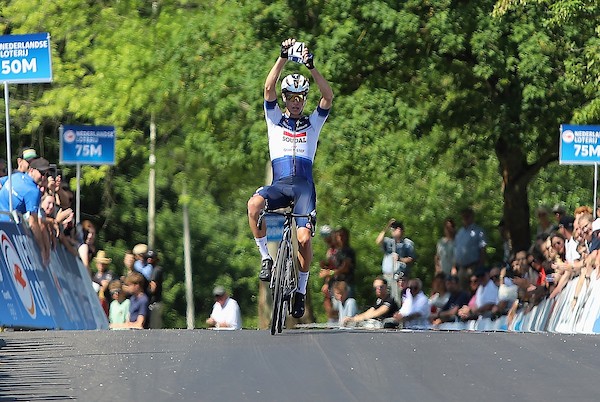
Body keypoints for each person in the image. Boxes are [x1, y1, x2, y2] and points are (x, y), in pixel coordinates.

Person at [247, 37, 333, 320]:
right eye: (290, 97)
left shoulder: (313, 122)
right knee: (253, 206)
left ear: (304, 99)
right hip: (280, 184)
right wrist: (282, 57)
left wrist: (312, 67)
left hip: (304, 188)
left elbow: (328, 97)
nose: (295, 103)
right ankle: (266, 258)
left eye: (299, 98)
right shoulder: (274, 119)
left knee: (305, 239)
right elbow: (268, 87)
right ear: (284, 99)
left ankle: (300, 291)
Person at [0, 157, 50, 262]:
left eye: (46, 174)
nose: (44, 177)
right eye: (41, 173)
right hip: (6, 227)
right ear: (31, 170)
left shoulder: (16, 176)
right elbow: (33, 223)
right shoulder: (33, 191)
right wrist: (42, 248)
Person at [375, 219, 416, 303]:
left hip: (399, 277)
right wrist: (387, 227)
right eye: (395, 228)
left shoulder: (407, 243)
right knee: (386, 299)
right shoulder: (388, 241)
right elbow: (378, 241)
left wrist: (400, 259)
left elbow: (411, 259)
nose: (397, 230)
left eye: (399, 228)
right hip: (387, 276)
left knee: (397, 299)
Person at [453, 207, 487, 291]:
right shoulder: (460, 233)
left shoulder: (478, 231)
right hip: (461, 268)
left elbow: (483, 249)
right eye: (463, 217)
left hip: (473, 267)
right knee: (462, 291)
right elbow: (456, 250)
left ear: (472, 217)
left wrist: (480, 267)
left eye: (467, 216)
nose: (465, 219)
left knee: (474, 290)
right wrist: (454, 267)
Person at [92, 250, 115, 316]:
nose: (101, 265)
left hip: (106, 302)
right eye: (99, 263)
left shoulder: (109, 274)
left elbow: (105, 285)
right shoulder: (94, 276)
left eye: (103, 263)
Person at [145, 250, 164, 329]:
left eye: (151, 257)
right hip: (155, 303)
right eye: (148, 257)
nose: (149, 259)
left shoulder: (156, 270)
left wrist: (145, 292)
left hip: (154, 303)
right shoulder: (153, 269)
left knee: (154, 328)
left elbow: (153, 288)